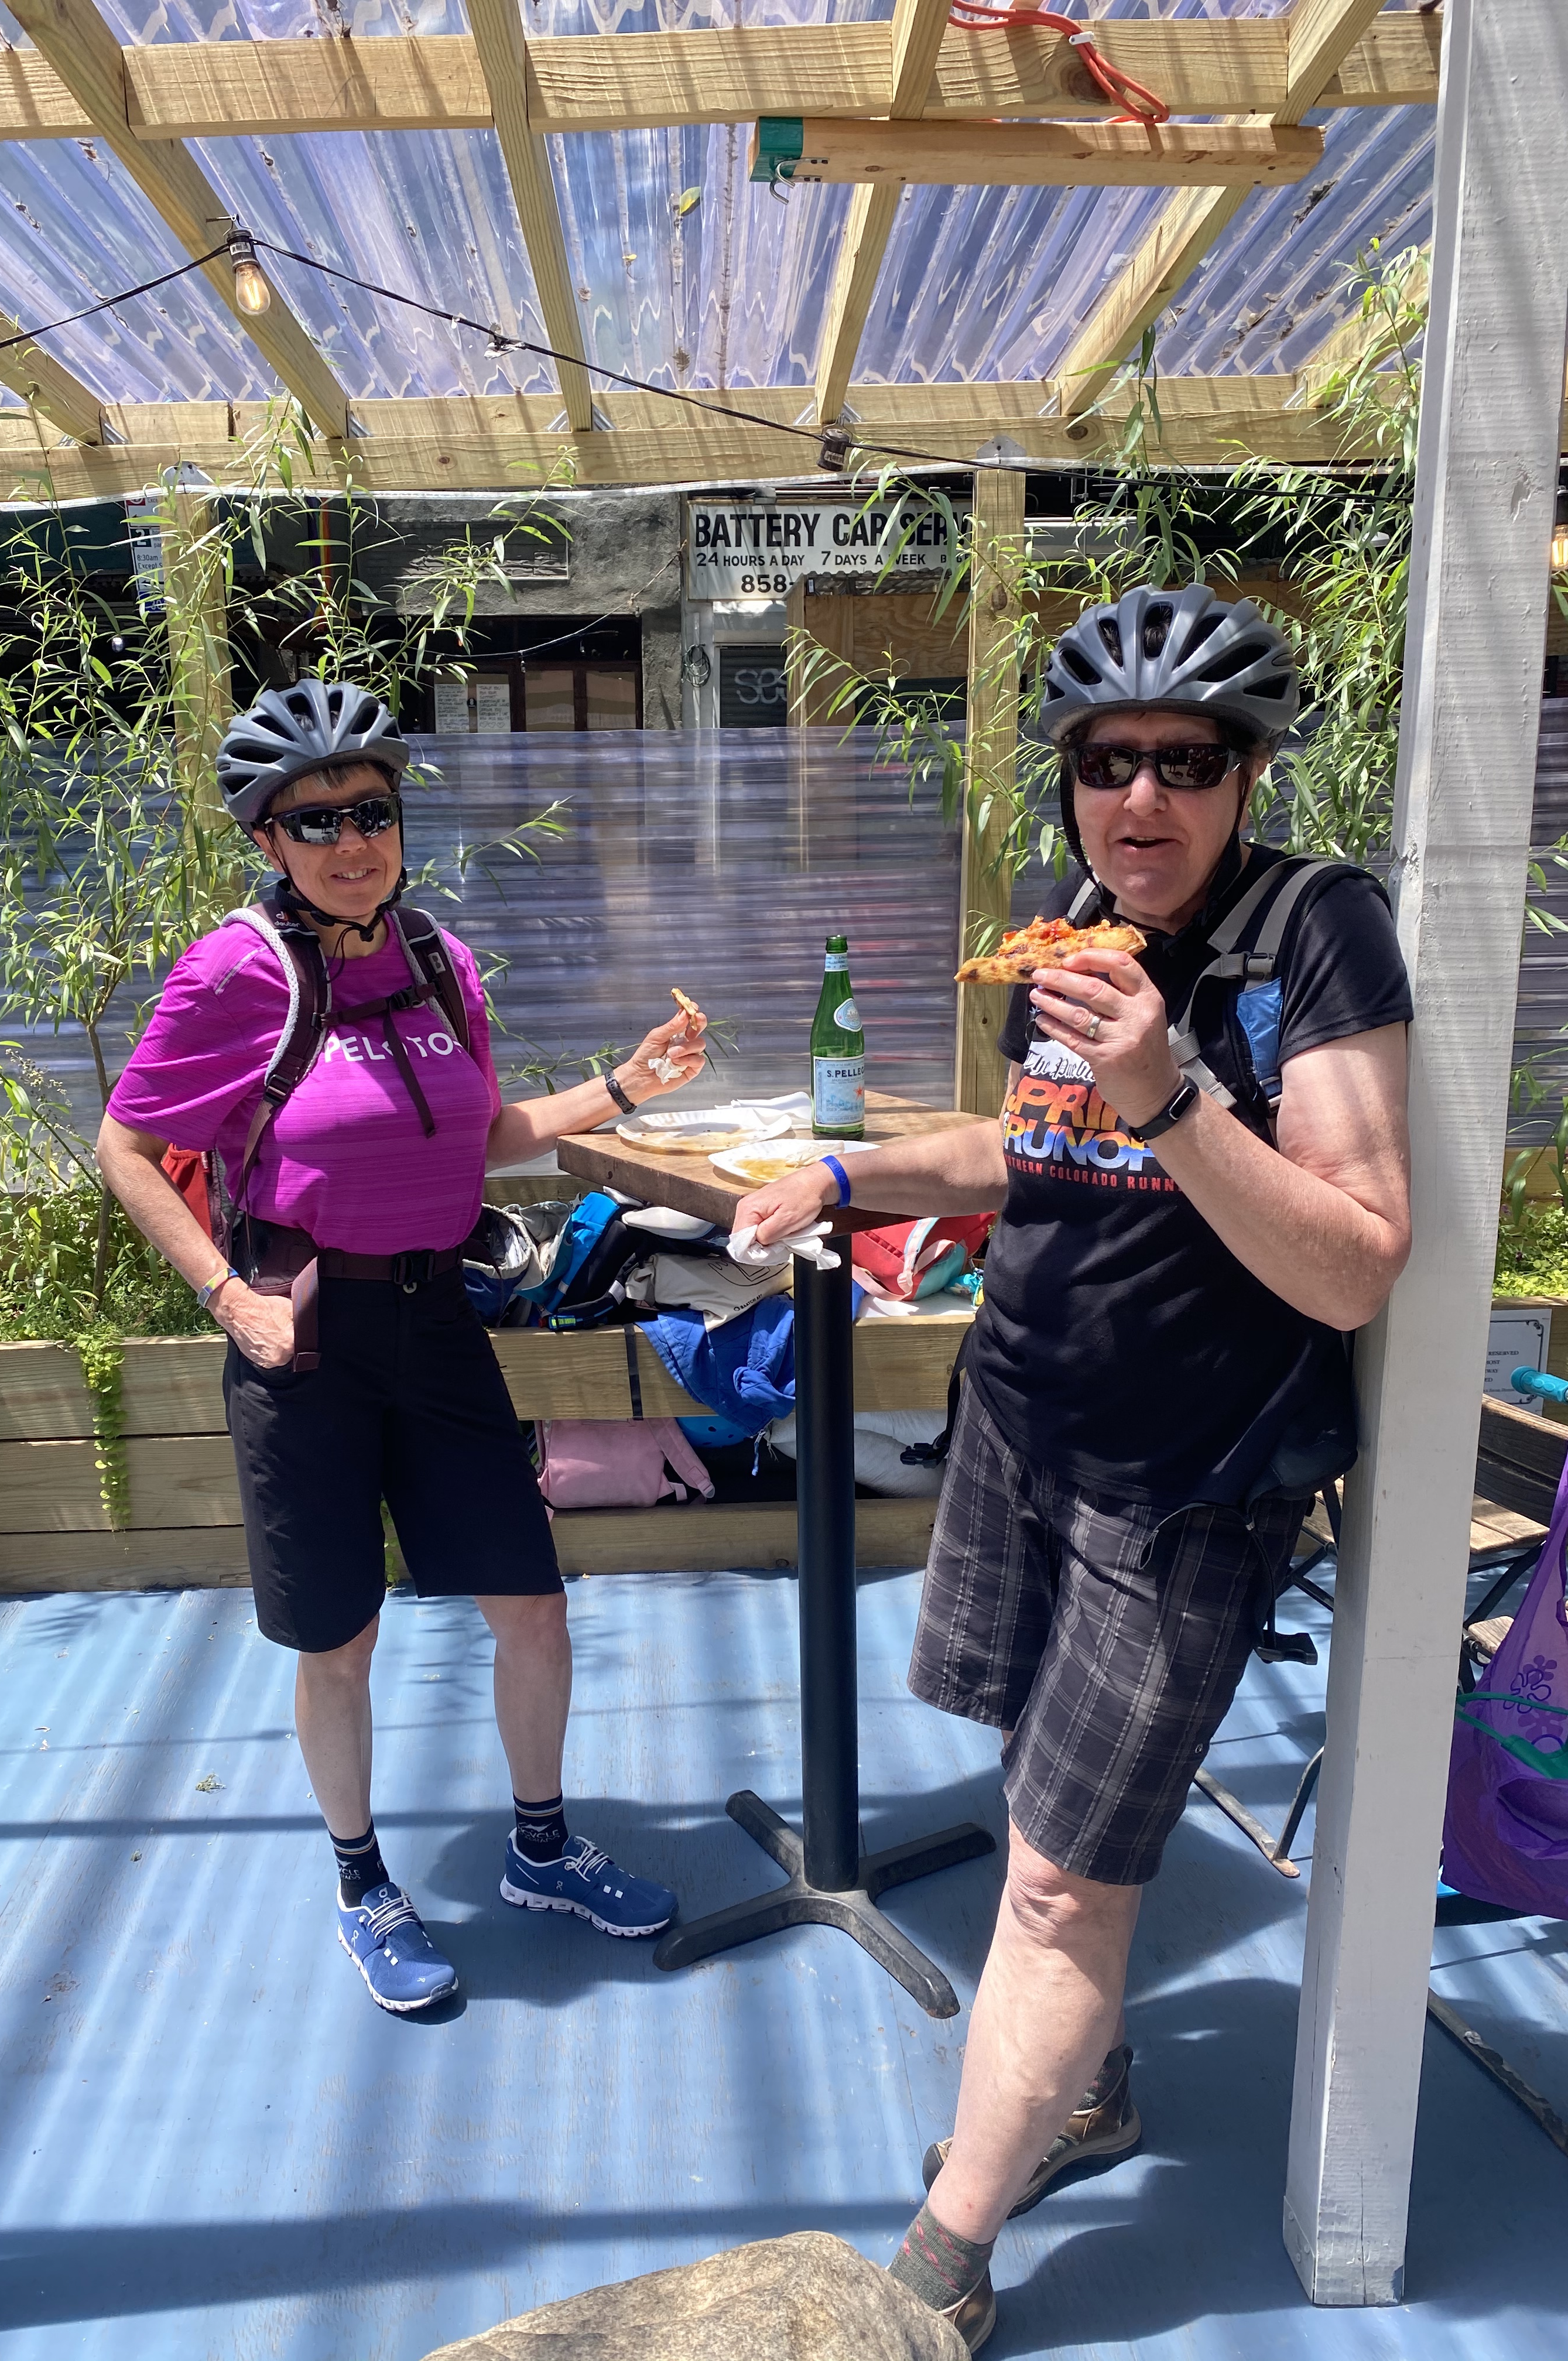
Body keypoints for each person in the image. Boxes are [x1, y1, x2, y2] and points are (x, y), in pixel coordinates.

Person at [732, 587, 1413, 2349]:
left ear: (1247, 777)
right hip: (1021, 1431)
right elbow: (1033, 1148)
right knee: (1042, 1786)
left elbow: (1355, 1261)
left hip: (1183, 1486)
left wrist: (1171, 1090)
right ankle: (1089, 2086)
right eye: (1109, 764)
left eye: (1186, 761)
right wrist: (850, 1177)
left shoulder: (1310, 933)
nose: (1143, 797)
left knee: (1053, 1879)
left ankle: (944, 2257)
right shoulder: (1082, 930)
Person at [98, 680, 708, 2016]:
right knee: (341, 1636)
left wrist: (622, 1085)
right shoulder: (236, 973)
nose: (351, 841)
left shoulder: (438, 958)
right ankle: (363, 1882)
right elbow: (127, 1149)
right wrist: (226, 1296)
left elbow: (477, 1135)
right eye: (315, 820)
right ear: (268, 838)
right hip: (305, 1336)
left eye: (371, 811)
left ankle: (541, 1850)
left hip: (438, 1323)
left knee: (531, 1602)